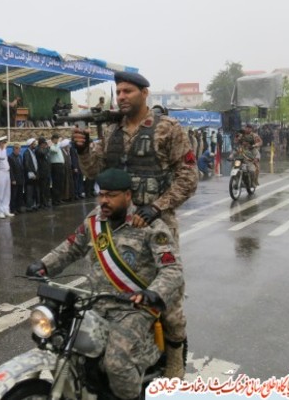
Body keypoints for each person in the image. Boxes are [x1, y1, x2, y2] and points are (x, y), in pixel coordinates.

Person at [72, 70, 197, 379]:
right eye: (118, 92)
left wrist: (157, 207)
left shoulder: (168, 129)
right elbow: (94, 172)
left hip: (157, 226)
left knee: (168, 299)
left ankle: (175, 361)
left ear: (144, 93)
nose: (122, 96)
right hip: (117, 228)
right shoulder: (111, 131)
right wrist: (83, 150)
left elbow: (188, 177)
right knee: (111, 292)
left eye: (128, 91)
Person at [26, 169, 183, 400]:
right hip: (95, 303)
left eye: (111, 195)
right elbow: (72, 246)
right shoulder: (94, 221)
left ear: (127, 195)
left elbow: (172, 268)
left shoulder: (150, 226)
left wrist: (152, 293)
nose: (104, 200)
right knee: (61, 342)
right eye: (101, 194)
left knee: (116, 364)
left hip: (133, 308)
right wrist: (44, 265)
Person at [0, 136, 13, 218]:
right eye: (4, 142)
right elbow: (2, 157)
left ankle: (6, 209)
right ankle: (0, 211)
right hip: (0, 172)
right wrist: (4, 148)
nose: (5, 144)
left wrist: (4, 148)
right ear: (0, 143)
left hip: (6, 172)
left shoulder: (3, 150)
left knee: (7, 192)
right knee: (0, 192)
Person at [22, 138, 39, 211]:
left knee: (34, 191)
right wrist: (32, 174)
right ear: (30, 144)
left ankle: (33, 205)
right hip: (30, 176)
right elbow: (27, 165)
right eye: (34, 144)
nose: (35, 145)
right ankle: (29, 206)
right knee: (29, 191)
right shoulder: (26, 153)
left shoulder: (33, 152)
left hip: (34, 174)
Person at [8, 143, 25, 214]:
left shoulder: (20, 156)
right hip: (15, 179)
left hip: (20, 178)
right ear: (15, 149)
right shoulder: (10, 157)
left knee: (20, 194)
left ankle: (19, 207)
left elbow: (22, 167)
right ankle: (13, 209)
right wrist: (13, 179)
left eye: (20, 149)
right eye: (18, 149)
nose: (19, 151)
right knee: (14, 195)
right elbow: (10, 169)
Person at [48, 133, 65, 206]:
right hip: (55, 165)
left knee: (60, 183)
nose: (57, 140)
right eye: (56, 139)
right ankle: (55, 200)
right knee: (56, 183)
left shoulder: (57, 145)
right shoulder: (51, 145)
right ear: (53, 139)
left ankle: (59, 198)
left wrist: (58, 143)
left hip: (60, 165)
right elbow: (55, 151)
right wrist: (58, 143)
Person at [35, 137, 51, 209]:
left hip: (46, 172)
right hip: (42, 173)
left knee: (47, 188)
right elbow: (42, 153)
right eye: (44, 143)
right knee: (43, 189)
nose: (45, 145)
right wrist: (48, 148)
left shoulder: (44, 149)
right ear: (41, 144)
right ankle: (42, 203)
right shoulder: (38, 149)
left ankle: (46, 202)